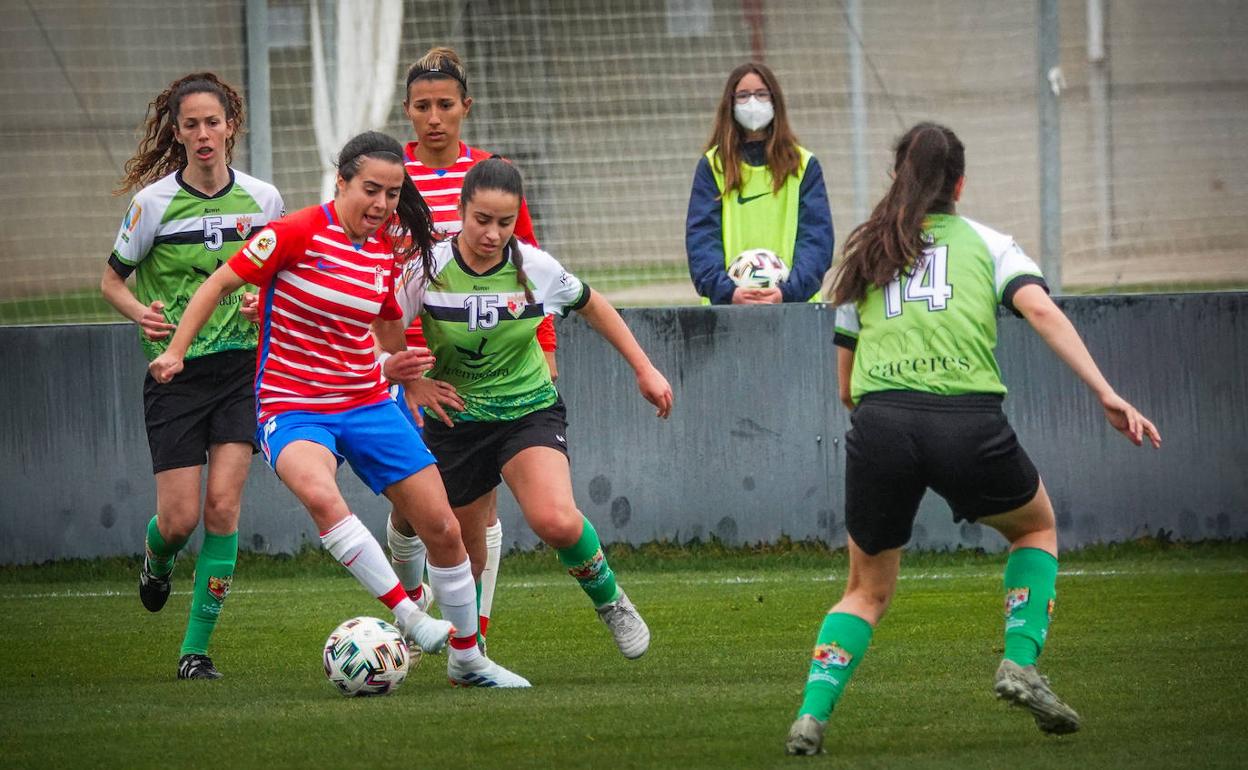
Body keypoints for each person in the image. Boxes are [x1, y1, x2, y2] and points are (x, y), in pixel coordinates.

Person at [784, 122, 1162, 755]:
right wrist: (1106, 392)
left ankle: (810, 717)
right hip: (966, 422)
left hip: (881, 424)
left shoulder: (866, 257)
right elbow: (1039, 309)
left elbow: (846, 389)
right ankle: (1020, 661)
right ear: (959, 184)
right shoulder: (991, 245)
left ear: (897, 178)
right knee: (1035, 529)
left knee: (865, 590)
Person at [149, 131, 529, 688]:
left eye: (393, 194)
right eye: (371, 190)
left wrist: (408, 376)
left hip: (367, 401)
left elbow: (388, 330)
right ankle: (409, 617)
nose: (382, 204)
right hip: (293, 406)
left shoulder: (381, 254)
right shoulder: (295, 232)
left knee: (443, 528)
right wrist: (175, 351)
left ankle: (468, 661)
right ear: (341, 181)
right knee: (323, 496)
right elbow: (218, 285)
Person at [394, 158, 673, 662]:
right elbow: (383, 324)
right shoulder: (428, 269)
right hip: (456, 421)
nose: (492, 233)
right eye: (482, 220)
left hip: (528, 411)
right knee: (464, 554)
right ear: (461, 210)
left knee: (556, 521)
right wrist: (412, 381)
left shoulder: (534, 268)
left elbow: (593, 305)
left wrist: (644, 369)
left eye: (504, 222)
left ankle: (611, 601)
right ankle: (470, 652)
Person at [101, 72, 284, 680]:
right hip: (174, 375)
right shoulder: (152, 204)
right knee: (179, 521)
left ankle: (195, 652)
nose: (203, 134)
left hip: (241, 370)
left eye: (212, 122)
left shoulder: (263, 200)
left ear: (230, 125)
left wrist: (262, 303)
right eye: (191, 125)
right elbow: (111, 281)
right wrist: (141, 313)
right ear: (177, 133)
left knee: (223, 509)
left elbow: (276, 277)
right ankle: (158, 559)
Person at [385, 46, 556, 651]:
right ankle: (411, 613)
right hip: (407, 360)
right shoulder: (389, 174)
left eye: (445, 105)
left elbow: (527, 269)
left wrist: (545, 345)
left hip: (481, 365)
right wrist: (400, 369)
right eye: (422, 107)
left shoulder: (491, 175)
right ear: (407, 111)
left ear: (466, 107)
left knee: (478, 510)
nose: (434, 117)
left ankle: (472, 636)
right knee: (411, 504)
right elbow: (371, 261)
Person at [685, 62, 833, 305]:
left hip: (794, 307)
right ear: (730, 104)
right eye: (743, 96)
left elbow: (817, 240)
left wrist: (788, 292)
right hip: (728, 309)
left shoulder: (804, 165)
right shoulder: (713, 166)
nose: (753, 102)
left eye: (761, 94)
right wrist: (728, 292)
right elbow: (702, 240)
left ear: (775, 101)